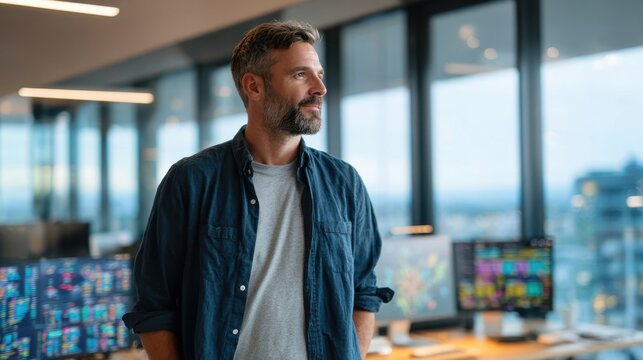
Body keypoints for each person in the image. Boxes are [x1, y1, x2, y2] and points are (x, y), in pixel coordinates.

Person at [122, 20, 393, 360]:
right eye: (300, 75)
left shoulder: (343, 183)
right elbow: (154, 305)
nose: (320, 87)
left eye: (319, 74)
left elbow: (363, 292)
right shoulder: (192, 181)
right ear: (254, 86)